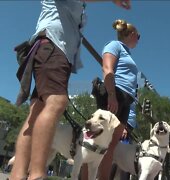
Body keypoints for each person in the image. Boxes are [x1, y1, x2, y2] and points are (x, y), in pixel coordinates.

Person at [10, 1, 131, 180]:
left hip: (53, 49)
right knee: (57, 102)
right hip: (53, 45)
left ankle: (17, 175)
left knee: (36, 112)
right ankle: (36, 174)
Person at [82, 19, 140, 180]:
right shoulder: (114, 45)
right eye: (138, 36)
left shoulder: (128, 53)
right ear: (131, 34)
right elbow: (107, 69)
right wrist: (112, 95)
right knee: (97, 143)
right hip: (115, 95)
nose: (139, 40)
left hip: (127, 101)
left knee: (110, 146)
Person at [110, 102, 138, 180]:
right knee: (115, 154)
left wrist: (125, 127)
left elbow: (126, 106)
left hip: (125, 123)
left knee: (115, 154)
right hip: (125, 122)